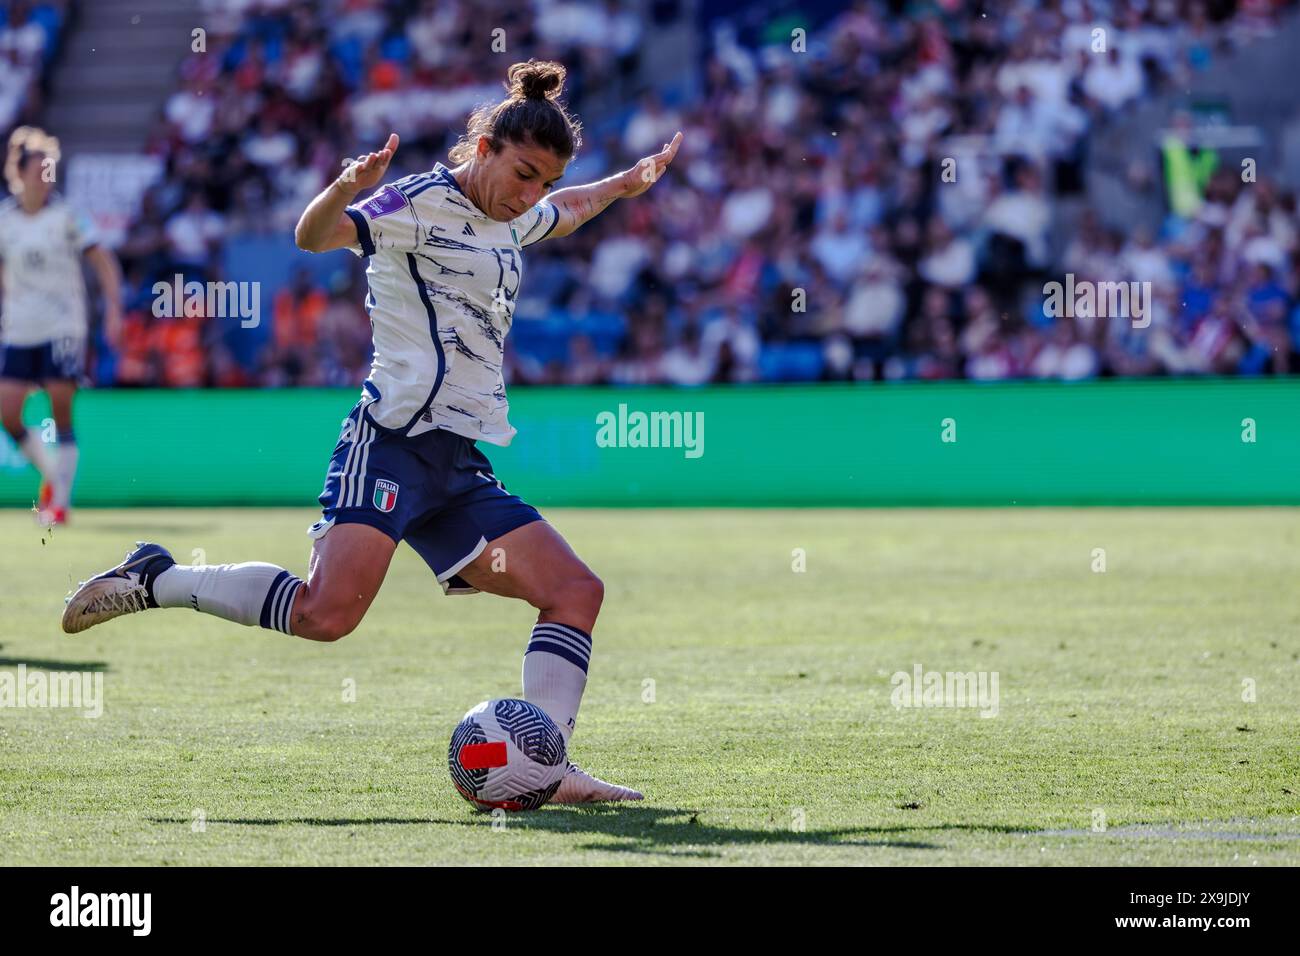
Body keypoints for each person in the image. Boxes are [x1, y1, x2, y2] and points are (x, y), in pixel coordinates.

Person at [62, 60, 683, 805]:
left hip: (457, 462)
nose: (531, 196)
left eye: (542, 182)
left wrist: (621, 185)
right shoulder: (415, 203)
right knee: (328, 616)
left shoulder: (515, 215)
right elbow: (312, 236)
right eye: (523, 174)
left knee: (575, 591)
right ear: (483, 147)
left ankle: (544, 766)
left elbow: (566, 210)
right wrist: (344, 189)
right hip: (390, 440)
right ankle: (157, 578)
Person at [0, 126, 123, 526]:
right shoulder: (6, 221)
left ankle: (61, 504)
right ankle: (54, 479)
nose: (46, 177)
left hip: (62, 326)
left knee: (60, 410)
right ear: (20, 172)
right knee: (8, 412)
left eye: (50, 170)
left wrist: (114, 310)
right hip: (19, 327)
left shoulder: (67, 216)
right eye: (39, 169)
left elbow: (103, 260)